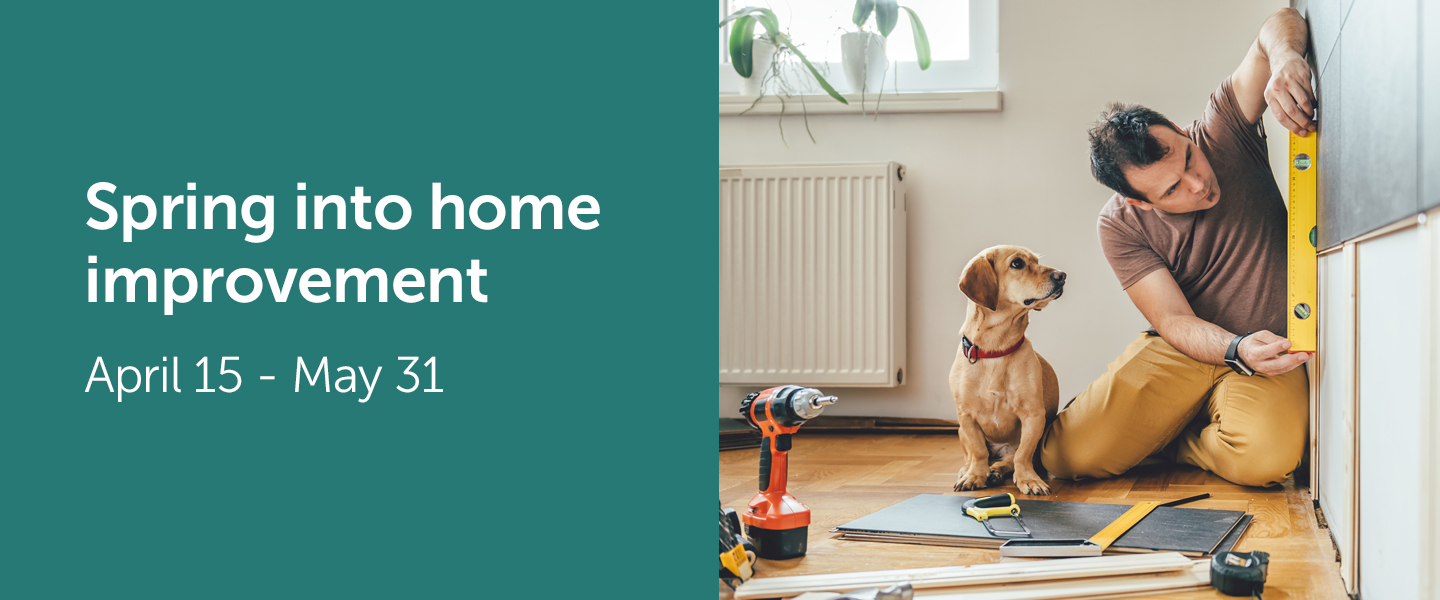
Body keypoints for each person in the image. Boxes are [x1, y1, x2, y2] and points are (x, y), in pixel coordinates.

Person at [1040, 8, 1318, 488]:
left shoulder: (1222, 132)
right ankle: (1164, 427)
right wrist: (1232, 347)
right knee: (1065, 457)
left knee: (1266, 462)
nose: (1198, 183)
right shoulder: (1119, 225)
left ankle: (1172, 438)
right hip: (1190, 346)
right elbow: (1172, 320)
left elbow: (1279, 22)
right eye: (1171, 190)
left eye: (1187, 157)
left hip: (1272, 346)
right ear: (1138, 202)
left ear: (1179, 130)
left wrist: (1286, 54)